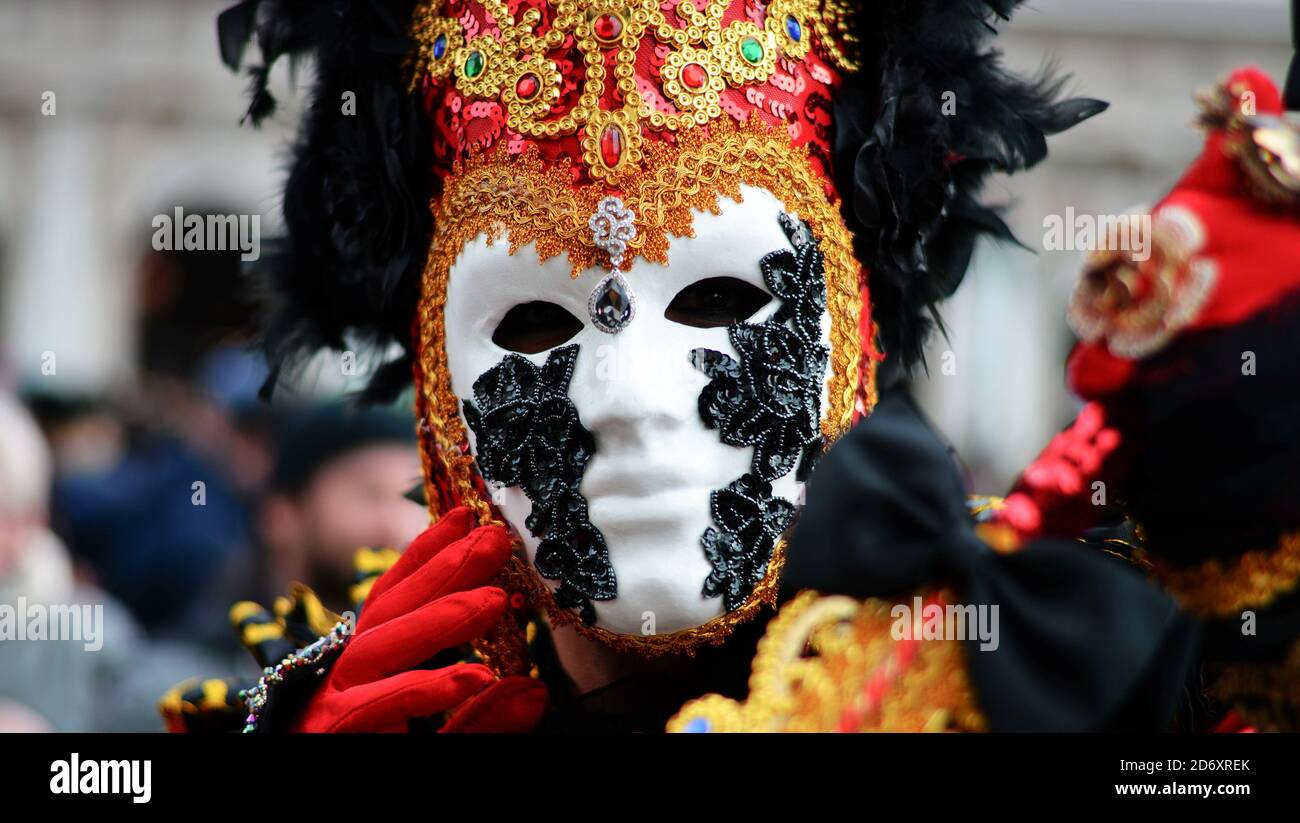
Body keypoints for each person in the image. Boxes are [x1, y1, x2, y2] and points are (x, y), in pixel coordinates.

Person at [164, 0, 1299, 732]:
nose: (625, 399)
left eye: (716, 299)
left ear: (848, 332)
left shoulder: (1085, 662)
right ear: (433, 385)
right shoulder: (337, 705)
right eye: (533, 325)